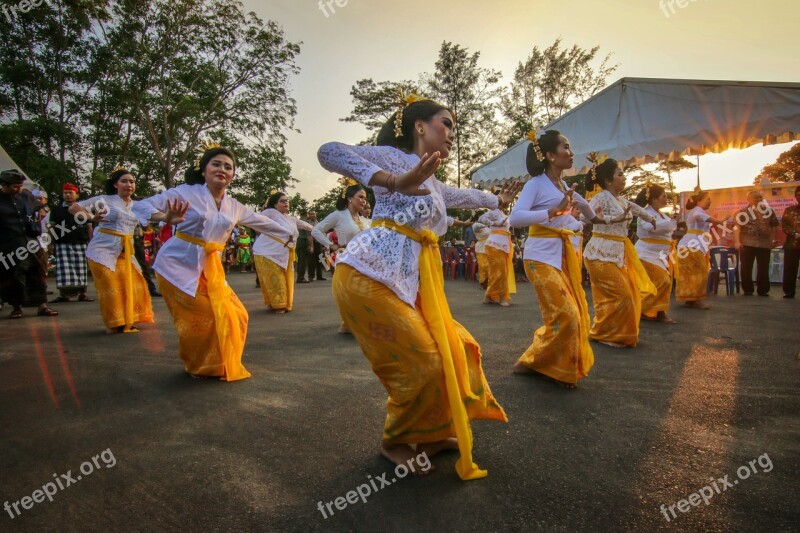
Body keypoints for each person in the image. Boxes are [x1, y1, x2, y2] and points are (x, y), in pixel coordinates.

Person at [317, 94, 518, 479]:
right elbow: (329, 151)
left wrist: (497, 198)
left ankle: (431, 434)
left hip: (404, 280)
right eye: (447, 123)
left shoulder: (433, 182)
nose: (452, 133)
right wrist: (393, 181)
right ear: (420, 126)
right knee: (424, 359)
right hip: (367, 273)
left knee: (451, 350)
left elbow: (464, 196)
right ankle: (394, 441)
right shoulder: (393, 158)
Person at [132, 143, 292, 381]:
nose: (222, 169)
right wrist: (164, 217)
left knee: (237, 314)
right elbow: (140, 206)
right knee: (203, 316)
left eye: (228, 167)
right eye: (216, 164)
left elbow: (261, 222)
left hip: (210, 269)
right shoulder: (184, 193)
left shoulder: (234, 205)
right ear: (204, 169)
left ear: (233, 175)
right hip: (176, 266)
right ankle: (201, 366)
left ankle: (222, 361)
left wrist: (290, 235)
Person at [508, 132, 621, 387]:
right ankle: (549, 365)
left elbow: (592, 216)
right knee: (567, 314)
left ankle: (537, 361)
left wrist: (604, 217)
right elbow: (514, 219)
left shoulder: (566, 188)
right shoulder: (536, 184)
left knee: (574, 314)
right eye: (565, 147)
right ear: (549, 155)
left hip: (563, 256)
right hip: (539, 256)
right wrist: (552, 211)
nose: (570, 152)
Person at [582, 158, 657, 348]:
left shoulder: (622, 201)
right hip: (599, 253)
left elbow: (638, 209)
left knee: (627, 295)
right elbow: (584, 216)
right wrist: (610, 218)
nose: (624, 178)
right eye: (620, 174)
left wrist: (652, 218)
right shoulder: (601, 197)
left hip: (616, 254)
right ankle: (608, 334)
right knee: (621, 295)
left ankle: (609, 332)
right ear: (608, 181)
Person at [70, 167, 154, 333]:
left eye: (131, 181)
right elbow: (74, 208)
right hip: (102, 250)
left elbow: (157, 215)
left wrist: (169, 216)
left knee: (130, 284)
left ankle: (128, 319)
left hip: (124, 252)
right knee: (110, 286)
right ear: (115, 184)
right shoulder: (105, 200)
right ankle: (115, 323)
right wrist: (90, 217)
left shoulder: (137, 205)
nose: (128, 184)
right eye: (124, 181)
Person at [0, 169, 58, 318]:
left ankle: (42, 305)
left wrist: (41, 211)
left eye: (20, 185)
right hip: (9, 244)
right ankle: (16, 307)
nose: (18, 189)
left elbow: (41, 206)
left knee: (37, 274)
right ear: (4, 185)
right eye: (14, 186)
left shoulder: (25, 195)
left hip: (31, 242)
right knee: (13, 277)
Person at [252, 191, 316, 313]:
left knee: (284, 280)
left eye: (287, 200)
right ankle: (278, 305)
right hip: (267, 253)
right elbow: (255, 222)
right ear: (275, 204)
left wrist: (321, 229)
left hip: (284, 254)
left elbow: (306, 226)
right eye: (282, 201)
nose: (286, 203)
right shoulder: (270, 212)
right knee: (275, 280)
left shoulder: (291, 219)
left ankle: (279, 303)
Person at [676, 189, 729, 309]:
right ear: (700, 200)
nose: (710, 202)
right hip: (692, 246)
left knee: (691, 273)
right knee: (700, 272)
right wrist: (723, 219)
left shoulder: (695, 211)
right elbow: (704, 218)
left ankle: (690, 299)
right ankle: (696, 299)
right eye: (708, 199)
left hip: (690, 245)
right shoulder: (697, 212)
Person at [634, 182, 678, 324]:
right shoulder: (644, 213)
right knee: (662, 280)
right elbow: (652, 227)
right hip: (646, 253)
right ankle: (649, 310)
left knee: (663, 281)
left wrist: (675, 222)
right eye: (663, 196)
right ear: (653, 199)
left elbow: (667, 227)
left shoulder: (663, 215)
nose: (666, 199)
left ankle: (655, 311)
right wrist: (672, 222)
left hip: (660, 255)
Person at [48, 183, 93, 303]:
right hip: (62, 242)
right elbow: (51, 226)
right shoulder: (56, 210)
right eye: (65, 193)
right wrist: (50, 242)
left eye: (70, 193)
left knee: (81, 268)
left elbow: (89, 227)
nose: (68, 195)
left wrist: (92, 242)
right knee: (63, 269)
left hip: (80, 241)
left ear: (76, 195)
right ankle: (63, 295)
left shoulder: (83, 209)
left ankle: (83, 294)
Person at [734, 190, 779, 296]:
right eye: (756, 198)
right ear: (749, 200)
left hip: (764, 244)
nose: (759, 199)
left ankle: (763, 290)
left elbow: (773, 225)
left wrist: (772, 239)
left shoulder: (769, 211)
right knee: (746, 267)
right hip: (747, 243)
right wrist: (737, 241)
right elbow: (737, 227)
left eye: (760, 197)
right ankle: (748, 289)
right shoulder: (742, 212)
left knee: (763, 267)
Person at [478, 202, 516, 306]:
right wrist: (495, 224)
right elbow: (481, 218)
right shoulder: (495, 212)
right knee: (500, 271)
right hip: (494, 244)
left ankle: (488, 296)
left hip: (503, 244)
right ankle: (502, 297)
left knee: (497, 271)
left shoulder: (503, 214)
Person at [781, 186, 800, 298]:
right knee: (790, 269)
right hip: (792, 244)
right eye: (798, 195)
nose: (799, 197)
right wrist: (795, 233)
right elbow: (784, 226)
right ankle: (789, 291)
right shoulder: (789, 210)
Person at [472, 211, 490, 288]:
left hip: (489, 246)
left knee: (489, 265)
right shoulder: (475, 225)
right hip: (481, 248)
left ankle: (490, 282)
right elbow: (477, 226)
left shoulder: (487, 227)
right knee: (483, 266)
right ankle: (483, 282)